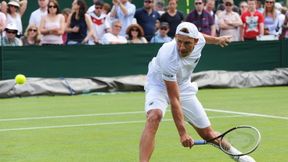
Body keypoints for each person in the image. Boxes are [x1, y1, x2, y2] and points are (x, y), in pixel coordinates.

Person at [139, 22, 256, 162]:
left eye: (187, 43)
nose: (181, 47)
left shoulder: (199, 40)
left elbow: (204, 38)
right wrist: (183, 133)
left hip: (183, 86)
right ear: (175, 37)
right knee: (154, 116)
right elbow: (174, 99)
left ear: (195, 41)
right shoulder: (167, 56)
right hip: (158, 85)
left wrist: (218, 40)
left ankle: (241, 158)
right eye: (179, 41)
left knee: (208, 134)